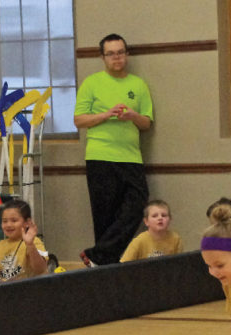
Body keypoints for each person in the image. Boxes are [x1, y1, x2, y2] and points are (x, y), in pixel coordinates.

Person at [77, 33, 156, 267]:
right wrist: (106, 114)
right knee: (104, 216)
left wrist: (132, 115)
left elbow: (147, 123)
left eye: (120, 52)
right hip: (100, 157)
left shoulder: (138, 85)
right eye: (111, 54)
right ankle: (104, 267)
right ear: (103, 57)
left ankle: (97, 255)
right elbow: (79, 120)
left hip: (131, 157)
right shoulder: (91, 83)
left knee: (137, 203)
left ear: (127, 54)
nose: (116, 57)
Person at [0, 199, 53, 285]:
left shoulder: (34, 242)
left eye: (14, 220)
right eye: (5, 221)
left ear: (27, 222)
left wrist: (30, 244)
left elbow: (40, 270)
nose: (8, 225)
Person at [118, 200, 183, 262]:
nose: (160, 218)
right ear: (146, 221)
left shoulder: (175, 239)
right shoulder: (139, 241)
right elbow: (124, 265)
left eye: (164, 215)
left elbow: (179, 263)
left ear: (170, 219)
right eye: (154, 216)